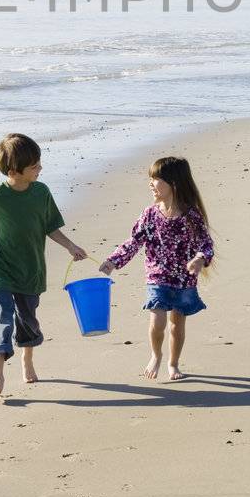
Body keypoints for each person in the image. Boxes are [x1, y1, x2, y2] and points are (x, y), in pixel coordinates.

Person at [0, 133, 88, 395]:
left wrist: (71, 246)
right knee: (1, 319)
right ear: (14, 172)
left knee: (27, 320)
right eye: (34, 166)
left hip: (30, 269)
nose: (40, 169)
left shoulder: (41, 192)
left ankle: (27, 359)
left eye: (39, 163)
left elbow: (51, 226)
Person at [99, 155, 214, 381]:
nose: (151, 184)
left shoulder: (191, 215)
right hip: (157, 275)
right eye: (150, 179)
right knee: (157, 320)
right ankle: (156, 355)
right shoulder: (150, 214)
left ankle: (173, 363)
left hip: (183, 278)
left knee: (176, 325)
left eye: (156, 179)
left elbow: (206, 243)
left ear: (174, 184)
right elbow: (134, 242)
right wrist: (114, 261)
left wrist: (200, 258)